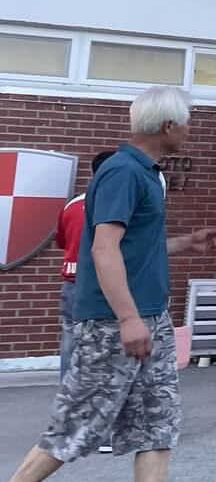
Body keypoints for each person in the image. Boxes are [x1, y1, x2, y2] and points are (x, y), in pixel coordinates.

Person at [0, 86, 216, 482]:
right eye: (186, 122)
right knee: (77, 425)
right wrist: (127, 319)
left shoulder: (145, 173)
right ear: (168, 127)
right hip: (113, 323)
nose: (190, 130)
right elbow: (102, 250)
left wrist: (188, 241)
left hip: (151, 318)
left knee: (157, 422)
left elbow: (134, 248)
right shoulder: (123, 171)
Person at [56, 150, 115, 383]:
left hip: (70, 284)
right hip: (100, 285)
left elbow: (61, 241)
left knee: (70, 343)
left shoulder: (72, 204)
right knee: (105, 349)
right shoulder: (112, 205)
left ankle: (67, 395)